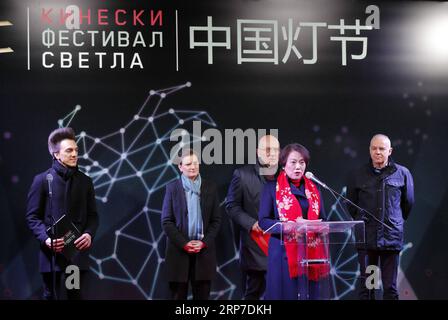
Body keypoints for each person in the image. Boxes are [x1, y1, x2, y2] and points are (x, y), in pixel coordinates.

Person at [26, 127, 99, 300]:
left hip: (75, 255)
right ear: (56, 155)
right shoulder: (43, 180)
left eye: (76, 150)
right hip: (51, 255)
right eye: (69, 150)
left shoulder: (85, 181)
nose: (75, 154)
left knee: (74, 295)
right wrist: (46, 239)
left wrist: (89, 234)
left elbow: (93, 215)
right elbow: (32, 217)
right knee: (50, 295)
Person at [346, 134, 414, 300]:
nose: (377, 152)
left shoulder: (402, 173)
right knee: (368, 289)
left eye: (382, 148)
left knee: (390, 289)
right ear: (369, 150)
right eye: (374, 148)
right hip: (368, 243)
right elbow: (351, 205)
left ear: (389, 151)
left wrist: (394, 221)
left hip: (390, 242)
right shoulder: (358, 174)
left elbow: (408, 203)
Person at [259, 143, 328, 300]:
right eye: (293, 162)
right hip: (283, 254)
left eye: (302, 162)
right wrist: (287, 226)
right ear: (284, 165)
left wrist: (313, 224)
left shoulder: (314, 189)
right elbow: (263, 221)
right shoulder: (271, 188)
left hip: (310, 255)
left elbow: (324, 219)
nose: (298, 167)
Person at [161, 149, 222, 300]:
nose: (193, 166)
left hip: (203, 254)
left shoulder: (210, 188)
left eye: (195, 163)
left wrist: (203, 243)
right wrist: (184, 243)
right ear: (180, 167)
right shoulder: (172, 188)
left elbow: (216, 221)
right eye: (188, 164)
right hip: (178, 253)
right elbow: (167, 221)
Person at [225, 134, 280, 300]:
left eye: (276, 150)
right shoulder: (242, 175)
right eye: (268, 149)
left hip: (282, 245)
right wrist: (251, 223)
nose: (272, 154)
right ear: (258, 152)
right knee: (253, 295)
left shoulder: (287, 175)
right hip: (256, 246)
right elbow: (232, 206)